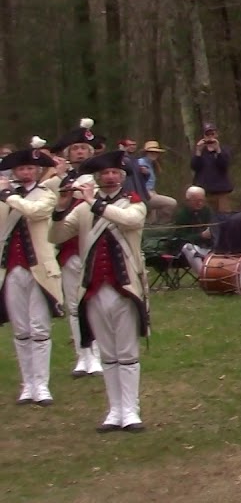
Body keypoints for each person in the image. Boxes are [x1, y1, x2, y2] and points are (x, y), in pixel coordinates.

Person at [49, 150, 149, 432]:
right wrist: (62, 205)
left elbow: (131, 221)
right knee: (108, 353)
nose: (110, 176)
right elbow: (55, 236)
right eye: (105, 173)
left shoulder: (134, 203)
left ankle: (131, 410)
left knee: (127, 352)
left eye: (115, 173)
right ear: (98, 177)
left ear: (122, 177)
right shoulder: (81, 209)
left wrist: (93, 201)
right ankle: (114, 410)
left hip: (125, 287)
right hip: (92, 288)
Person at [0, 144, 64, 406]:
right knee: (21, 329)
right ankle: (27, 384)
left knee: (39, 328)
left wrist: (7, 195)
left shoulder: (46, 194)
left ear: (37, 171)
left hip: (39, 269)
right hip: (11, 268)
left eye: (29, 168)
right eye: (21, 168)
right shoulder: (5, 196)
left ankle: (42, 384)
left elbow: (35, 212)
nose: (25, 172)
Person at [45, 121, 105, 377]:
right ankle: (83, 354)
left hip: (95, 246)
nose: (80, 152)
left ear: (92, 152)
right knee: (73, 303)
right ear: (67, 154)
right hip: (69, 248)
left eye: (84, 148)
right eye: (75, 148)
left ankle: (101, 353)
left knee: (97, 302)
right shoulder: (60, 180)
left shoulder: (101, 177)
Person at [190, 123, 232, 212]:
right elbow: (194, 167)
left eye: (212, 134)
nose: (210, 137)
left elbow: (224, 165)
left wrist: (218, 151)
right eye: (207, 135)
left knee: (224, 217)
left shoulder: (224, 150)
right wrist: (198, 152)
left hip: (221, 191)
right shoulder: (200, 151)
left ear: (216, 135)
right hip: (204, 192)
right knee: (207, 218)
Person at [174, 187, 216, 276]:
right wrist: (201, 236)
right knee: (188, 248)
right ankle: (204, 276)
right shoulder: (181, 214)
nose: (200, 203)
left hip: (207, 246)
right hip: (185, 248)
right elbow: (179, 237)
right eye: (196, 201)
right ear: (188, 200)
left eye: (202, 200)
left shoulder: (207, 211)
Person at [134, 141, 177, 222]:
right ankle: (163, 224)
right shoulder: (141, 162)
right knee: (171, 203)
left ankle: (155, 228)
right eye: (151, 152)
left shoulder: (152, 164)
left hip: (151, 192)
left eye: (156, 152)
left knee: (151, 219)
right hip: (143, 193)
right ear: (146, 153)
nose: (154, 154)